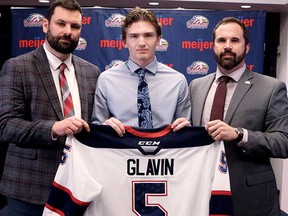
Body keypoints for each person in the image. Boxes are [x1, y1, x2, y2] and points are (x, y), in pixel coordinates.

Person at [0, 0, 100, 214]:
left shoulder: (91, 72)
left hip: (78, 189)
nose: (67, 31)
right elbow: (6, 126)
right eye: (61, 24)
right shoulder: (17, 67)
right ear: (46, 25)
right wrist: (54, 128)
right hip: (29, 188)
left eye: (75, 26)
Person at [189, 16, 288, 216]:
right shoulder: (196, 86)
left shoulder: (271, 88)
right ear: (213, 45)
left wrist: (239, 134)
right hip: (201, 191)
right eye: (221, 40)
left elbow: (283, 142)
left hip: (250, 198)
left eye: (235, 40)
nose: (227, 46)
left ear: (247, 47)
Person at [91, 7, 191, 135]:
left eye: (148, 35)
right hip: (120, 152)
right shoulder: (106, 80)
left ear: (158, 39)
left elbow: (186, 130)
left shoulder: (178, 81)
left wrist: (186, 127)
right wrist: (103, 127)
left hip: (166, 153)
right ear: (124, 41)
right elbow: (96, 128)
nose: (142, 42)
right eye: (134, 36)